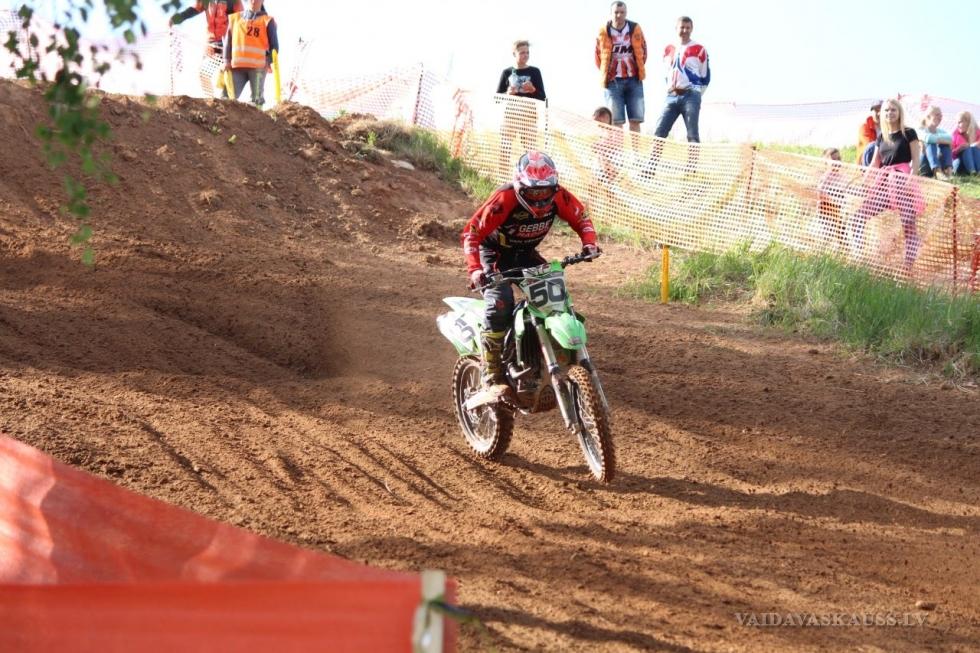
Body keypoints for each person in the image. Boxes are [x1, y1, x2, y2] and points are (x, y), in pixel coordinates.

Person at [461, 152, 600, 391]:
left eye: (545, 191)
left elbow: (582, 218)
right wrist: (475, 269)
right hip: (494, 255)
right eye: (534, 192)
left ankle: (543, 353)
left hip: (526, 254)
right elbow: (471, 233)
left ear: (554, 187)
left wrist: (589, 243)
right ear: (520, 187)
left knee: (555, 298)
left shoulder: (560, 196)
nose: (540, 197)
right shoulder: (504, 199)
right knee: (500, 304)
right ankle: (491, 370)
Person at [854, 99, 924, 271]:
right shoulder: (881, 137)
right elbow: (874, 163)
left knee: (908, 225)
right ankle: (858, 258)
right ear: (881, 114)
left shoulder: (909, 133)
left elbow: (916, 160)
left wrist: (910, 181)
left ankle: (908, 267)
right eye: (886, 110)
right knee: (858, 216)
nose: (889, 113)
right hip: (884, 183)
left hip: (902, 182)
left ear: (899, 112)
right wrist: (864, 182)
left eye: (893, 110)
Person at [652, 16, 710, 144]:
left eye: (688, 28)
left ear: (692, 29)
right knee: (659, 132)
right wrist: (669, 88)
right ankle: (653, 157)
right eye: (682, 27)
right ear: (676, 28)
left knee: (692, 134)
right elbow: (667, 72)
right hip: (671, 95)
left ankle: (693, 158)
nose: (685, 30)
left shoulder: (699, 49)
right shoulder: (669, 48)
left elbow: (705, 75)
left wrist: (697, 93)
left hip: (691, 95)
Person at [169, 0, 244, 97]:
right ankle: (211, 100)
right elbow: (194, 9)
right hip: (211, 44)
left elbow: (242, 21)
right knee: (204, 73)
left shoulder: (234, 2)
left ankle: (228, 100)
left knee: (228, 76)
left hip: (228, 44)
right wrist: (175, 19)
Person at [595, 2, 647, 133]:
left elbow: (643, 50)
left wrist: (639, 69)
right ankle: (618, 147)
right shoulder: (604, 31)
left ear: (626, 13)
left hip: (634, 79)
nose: (619, 15)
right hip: (613, 82)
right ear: (611, 13)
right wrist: (606, 73)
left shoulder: (634, 28)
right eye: (616, 12)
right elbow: (598, 55)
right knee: (615, 121)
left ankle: (636, 147)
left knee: (635, 120)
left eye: (622, 12)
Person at [223, 0, 279, 108]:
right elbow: (228, 41)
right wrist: (226, 61)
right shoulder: (235, 18)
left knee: (256, 100)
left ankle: (257, 118)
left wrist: (268, 61)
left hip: (258, 68)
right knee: (226, 97)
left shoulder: (267, 21)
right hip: (237, 67)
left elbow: (274, 47)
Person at [817, 147, 847, 250]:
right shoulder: (826, 177)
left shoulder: (842, 177)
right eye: (834, 159)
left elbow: (845, 192)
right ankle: (823, 249)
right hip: (826, 209)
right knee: (827, 232)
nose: (837, 162)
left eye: (839, 159)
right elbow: (820, 193)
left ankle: (842, 249)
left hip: (839, 209)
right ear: (826, 162)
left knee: (841, 231)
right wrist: (832, 200)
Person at [918, 105, 954, 180]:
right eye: (937, 115)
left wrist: (943, 141)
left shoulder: (941, 131)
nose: (940, 117)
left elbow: (951, 139)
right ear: (928, 116)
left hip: (939, 163)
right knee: (931, 143)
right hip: (923, 164)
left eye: (941, 115)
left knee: (945, 146)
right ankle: (937, 171)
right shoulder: (920, 129)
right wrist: (943, 140)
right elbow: (928, 138)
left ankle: (948, 172)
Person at [952, 111, 980, 176]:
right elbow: (950, 155)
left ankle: (978, 172)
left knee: (974, 148)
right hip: (959, 163)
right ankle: (972, 172)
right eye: (956, 123)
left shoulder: (978, 133)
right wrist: (959, 149)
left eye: (959, 122)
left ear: (968, 122)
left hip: (975, 163)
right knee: (967, 149)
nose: (957, 125)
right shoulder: (955, 134)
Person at [857, 101, 881, 166]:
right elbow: (870, 146)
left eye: (881, 111)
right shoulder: (865, 127)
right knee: (872, 146)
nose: (879, 113)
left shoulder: (888, 126)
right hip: (866, 161)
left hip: (881, 159)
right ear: (872, 112)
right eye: (876, 111)